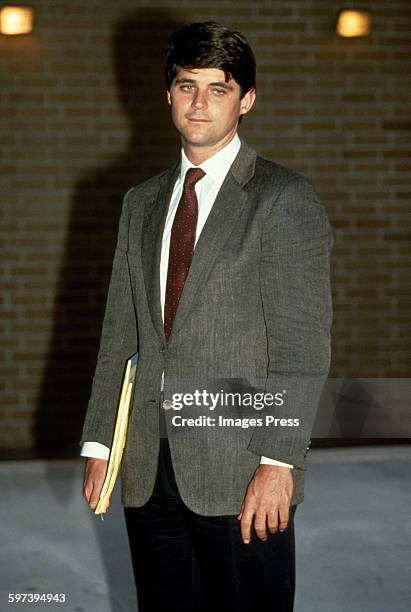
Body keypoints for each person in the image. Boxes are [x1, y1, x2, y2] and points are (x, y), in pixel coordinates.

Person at [81, 21, 333, 612]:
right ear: (168, 94)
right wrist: (100, 440)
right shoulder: (140, 203)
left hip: (241, 465)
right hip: (148, 463)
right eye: (187, 85)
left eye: (218, 89)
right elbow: (121, 329)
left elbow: (302, 347)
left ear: (245, 100)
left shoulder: (282, 199)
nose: (199, 103)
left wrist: (279, 462)